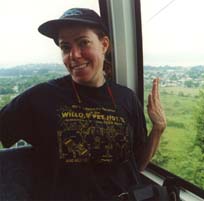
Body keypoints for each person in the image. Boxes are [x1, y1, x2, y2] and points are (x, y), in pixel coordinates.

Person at [0, 8, 166, 200]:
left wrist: (158, 129)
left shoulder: (126, 98)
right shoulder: (41, 97)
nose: (74, 55)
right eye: (65, 47)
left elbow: (137, 165)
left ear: (104, 45)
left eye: (83, 43)